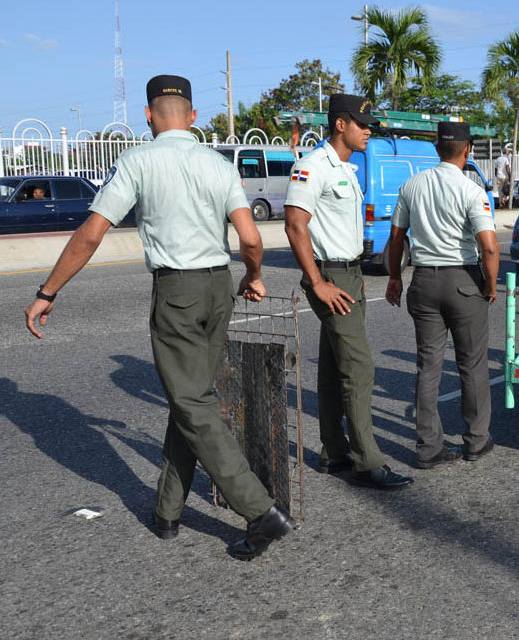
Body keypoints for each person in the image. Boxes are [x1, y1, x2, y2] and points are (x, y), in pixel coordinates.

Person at [23, 75, 295, 560]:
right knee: (190, 399)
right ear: (192, 117)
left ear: (148, 116)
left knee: (192, 403)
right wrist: (252, 274)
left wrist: (49, 290)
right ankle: (167, 511)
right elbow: (251, 239)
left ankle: (260, 511)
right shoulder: (217, 164)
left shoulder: (138, 160)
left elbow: (91, 233)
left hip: (178, 292)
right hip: (217, 288)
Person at [283, 93, 413, 490]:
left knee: (333, 366)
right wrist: (318, 282)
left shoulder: (347, 167)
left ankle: (334, 451)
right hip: (332, 277)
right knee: (359, 368)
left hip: (351, 274)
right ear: (340, 124)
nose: (368, 130)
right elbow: (294, 225)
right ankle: (367, 462)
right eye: (362, 123)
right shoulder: (312, 167)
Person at [383, 121, 499, 469]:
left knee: (428, 366)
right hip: (463, 280)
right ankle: (476, 441)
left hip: (424, 281)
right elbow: (490, 248)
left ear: (437, 148)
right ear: (467, 150)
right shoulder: (470, 190)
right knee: (472, 364)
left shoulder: (411, 185)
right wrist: (490, 287)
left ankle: (429, 447)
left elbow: (396, 237)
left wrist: (394, 278)